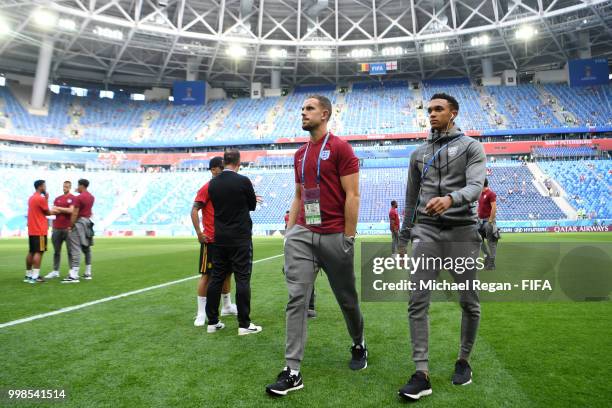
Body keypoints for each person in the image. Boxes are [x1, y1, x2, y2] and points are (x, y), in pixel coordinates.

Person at [266, 95, 366, 397]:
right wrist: (289, 231)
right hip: (303, 234)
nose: (303, 113)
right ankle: (292, 370)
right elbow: (299, 195)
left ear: (325, 114)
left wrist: (349, 237)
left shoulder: (340, 148)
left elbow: (353, 195)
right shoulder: (298, 154)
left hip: (335, 235)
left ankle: (359, 343)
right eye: (302, 109)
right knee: (297, 298)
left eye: (309, 109)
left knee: (347, 300)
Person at [397, 93, 486, 401]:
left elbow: (476, 187)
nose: (431, 114)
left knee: (469, 302)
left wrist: (451, 199)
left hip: (462, 232)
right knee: (417, 301)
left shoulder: (472, 147)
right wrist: (402, 240)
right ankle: (421, 373)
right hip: (426, 232)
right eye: (429, 110)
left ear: (453, 113)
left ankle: (464, 360)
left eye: (438, 109)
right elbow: (410, 200)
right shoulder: (418, 154)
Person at [205, 149, 262, 335]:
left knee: (216, 278)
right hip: (240, 237)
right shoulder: (243, 181)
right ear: (238, 162)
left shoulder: (213, 184)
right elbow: (252, 205)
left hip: (220, 238)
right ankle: (244, 324)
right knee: (242, 278)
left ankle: (212, 322)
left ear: (223, 161)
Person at [191, 157, 237, 327]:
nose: (224, 172)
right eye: (221, 168)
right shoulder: (207, 187)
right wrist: (199, 233)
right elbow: (194, 210)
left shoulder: (223, 188)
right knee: (207, 275)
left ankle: (226, 306)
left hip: (225, 239)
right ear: (213, 170)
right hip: (210, 239)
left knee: (227, 273)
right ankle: (201, 313)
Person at [25, 180, 62, 283]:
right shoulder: (40, 199)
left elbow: (39, 210)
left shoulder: (31, 198)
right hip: (40, 229)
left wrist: (45, 199)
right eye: (44, 186)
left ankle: (28, 275)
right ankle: (35, 276)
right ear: (41, 186)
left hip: (32, 229)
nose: (45, 187)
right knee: (39, 252)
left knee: (31, 251)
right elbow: (47, 212)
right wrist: (57, 210)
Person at [63, 179, 95, 283]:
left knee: (75, 247)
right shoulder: (91, 197)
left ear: (81, 186)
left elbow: (75, 213)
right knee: (87, 248)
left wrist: (71, 226)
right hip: (88, 222)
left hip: (80, 223)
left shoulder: (79, 197)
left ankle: (74, 275)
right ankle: (88, 273)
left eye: (78, 185)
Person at [45, 181, 75, 279]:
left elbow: (71, 210)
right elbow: (53, 211)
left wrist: (59, 209)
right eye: (64, 186)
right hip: (56, 228)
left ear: (70, 187)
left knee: (70, 251)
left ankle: (72, 271)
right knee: (56, 251)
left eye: (66, 186)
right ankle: (55, 271)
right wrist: (63, 209)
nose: (65, 188)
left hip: (68, 228)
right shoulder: (58, 198)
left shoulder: (73, 198)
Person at [478, 178, 498, 270]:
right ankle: (487, 256)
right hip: (480, 221)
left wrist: (490, 221)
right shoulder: (480, 194)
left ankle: (492, 263)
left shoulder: (491, 194)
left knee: (491, 242)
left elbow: (494, 208)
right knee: (478, 240)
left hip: (488, 221)